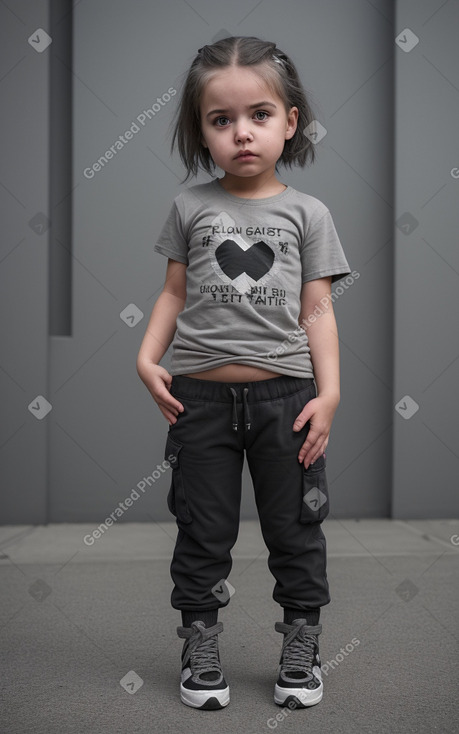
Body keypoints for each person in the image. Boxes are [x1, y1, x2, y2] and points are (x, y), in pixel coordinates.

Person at [137, 36, 351, 711]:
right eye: (220, 120)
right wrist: (146, 357)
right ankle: (199, 643)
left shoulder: (306, 213)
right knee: (202, 529)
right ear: (200, 131)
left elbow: (317, 309)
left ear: (290, 121)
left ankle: (301, 645)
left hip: (285, 400)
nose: (241, 133)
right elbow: (173, 293)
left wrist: (330, 393)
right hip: (199, 400)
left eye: (259, 114)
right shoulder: (189, 208)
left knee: (295, 528)